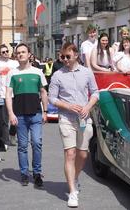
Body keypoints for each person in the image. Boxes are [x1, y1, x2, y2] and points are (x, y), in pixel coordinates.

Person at [48, 42, 99, 207]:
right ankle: (72, 191)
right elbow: (52, 98)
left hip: (84, 119)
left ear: (76, 55)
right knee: (70, 154)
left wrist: (87, 107)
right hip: (66, 119)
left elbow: (96, 93)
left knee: (83, 154)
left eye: (68, 56)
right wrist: (68, 105)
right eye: (62, 56)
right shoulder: (57, 75)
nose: (64, 60)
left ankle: (75, 177)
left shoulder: (87, 73)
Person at [5, 43, 48, 187]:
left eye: (23, 52)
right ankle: (24, 173)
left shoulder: (38, 72)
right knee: (22, 146)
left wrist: (45, 111)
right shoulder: (12, 73)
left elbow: (43, 92)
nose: (20, 54)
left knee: (37, 143)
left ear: (29, 54)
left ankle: (36, 173)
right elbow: (8, 95)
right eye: (18, 53)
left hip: (35, 114)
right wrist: (11, 113)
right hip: (20, 115)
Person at [0, 44, 19, 147]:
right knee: (4, 119)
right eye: (3, 52)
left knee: (15, 117)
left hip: (15, 94)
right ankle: (5, 141)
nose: (6, 53)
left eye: (7, 51)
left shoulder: (14, 63)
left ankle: (12, 134)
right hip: (1, 94)